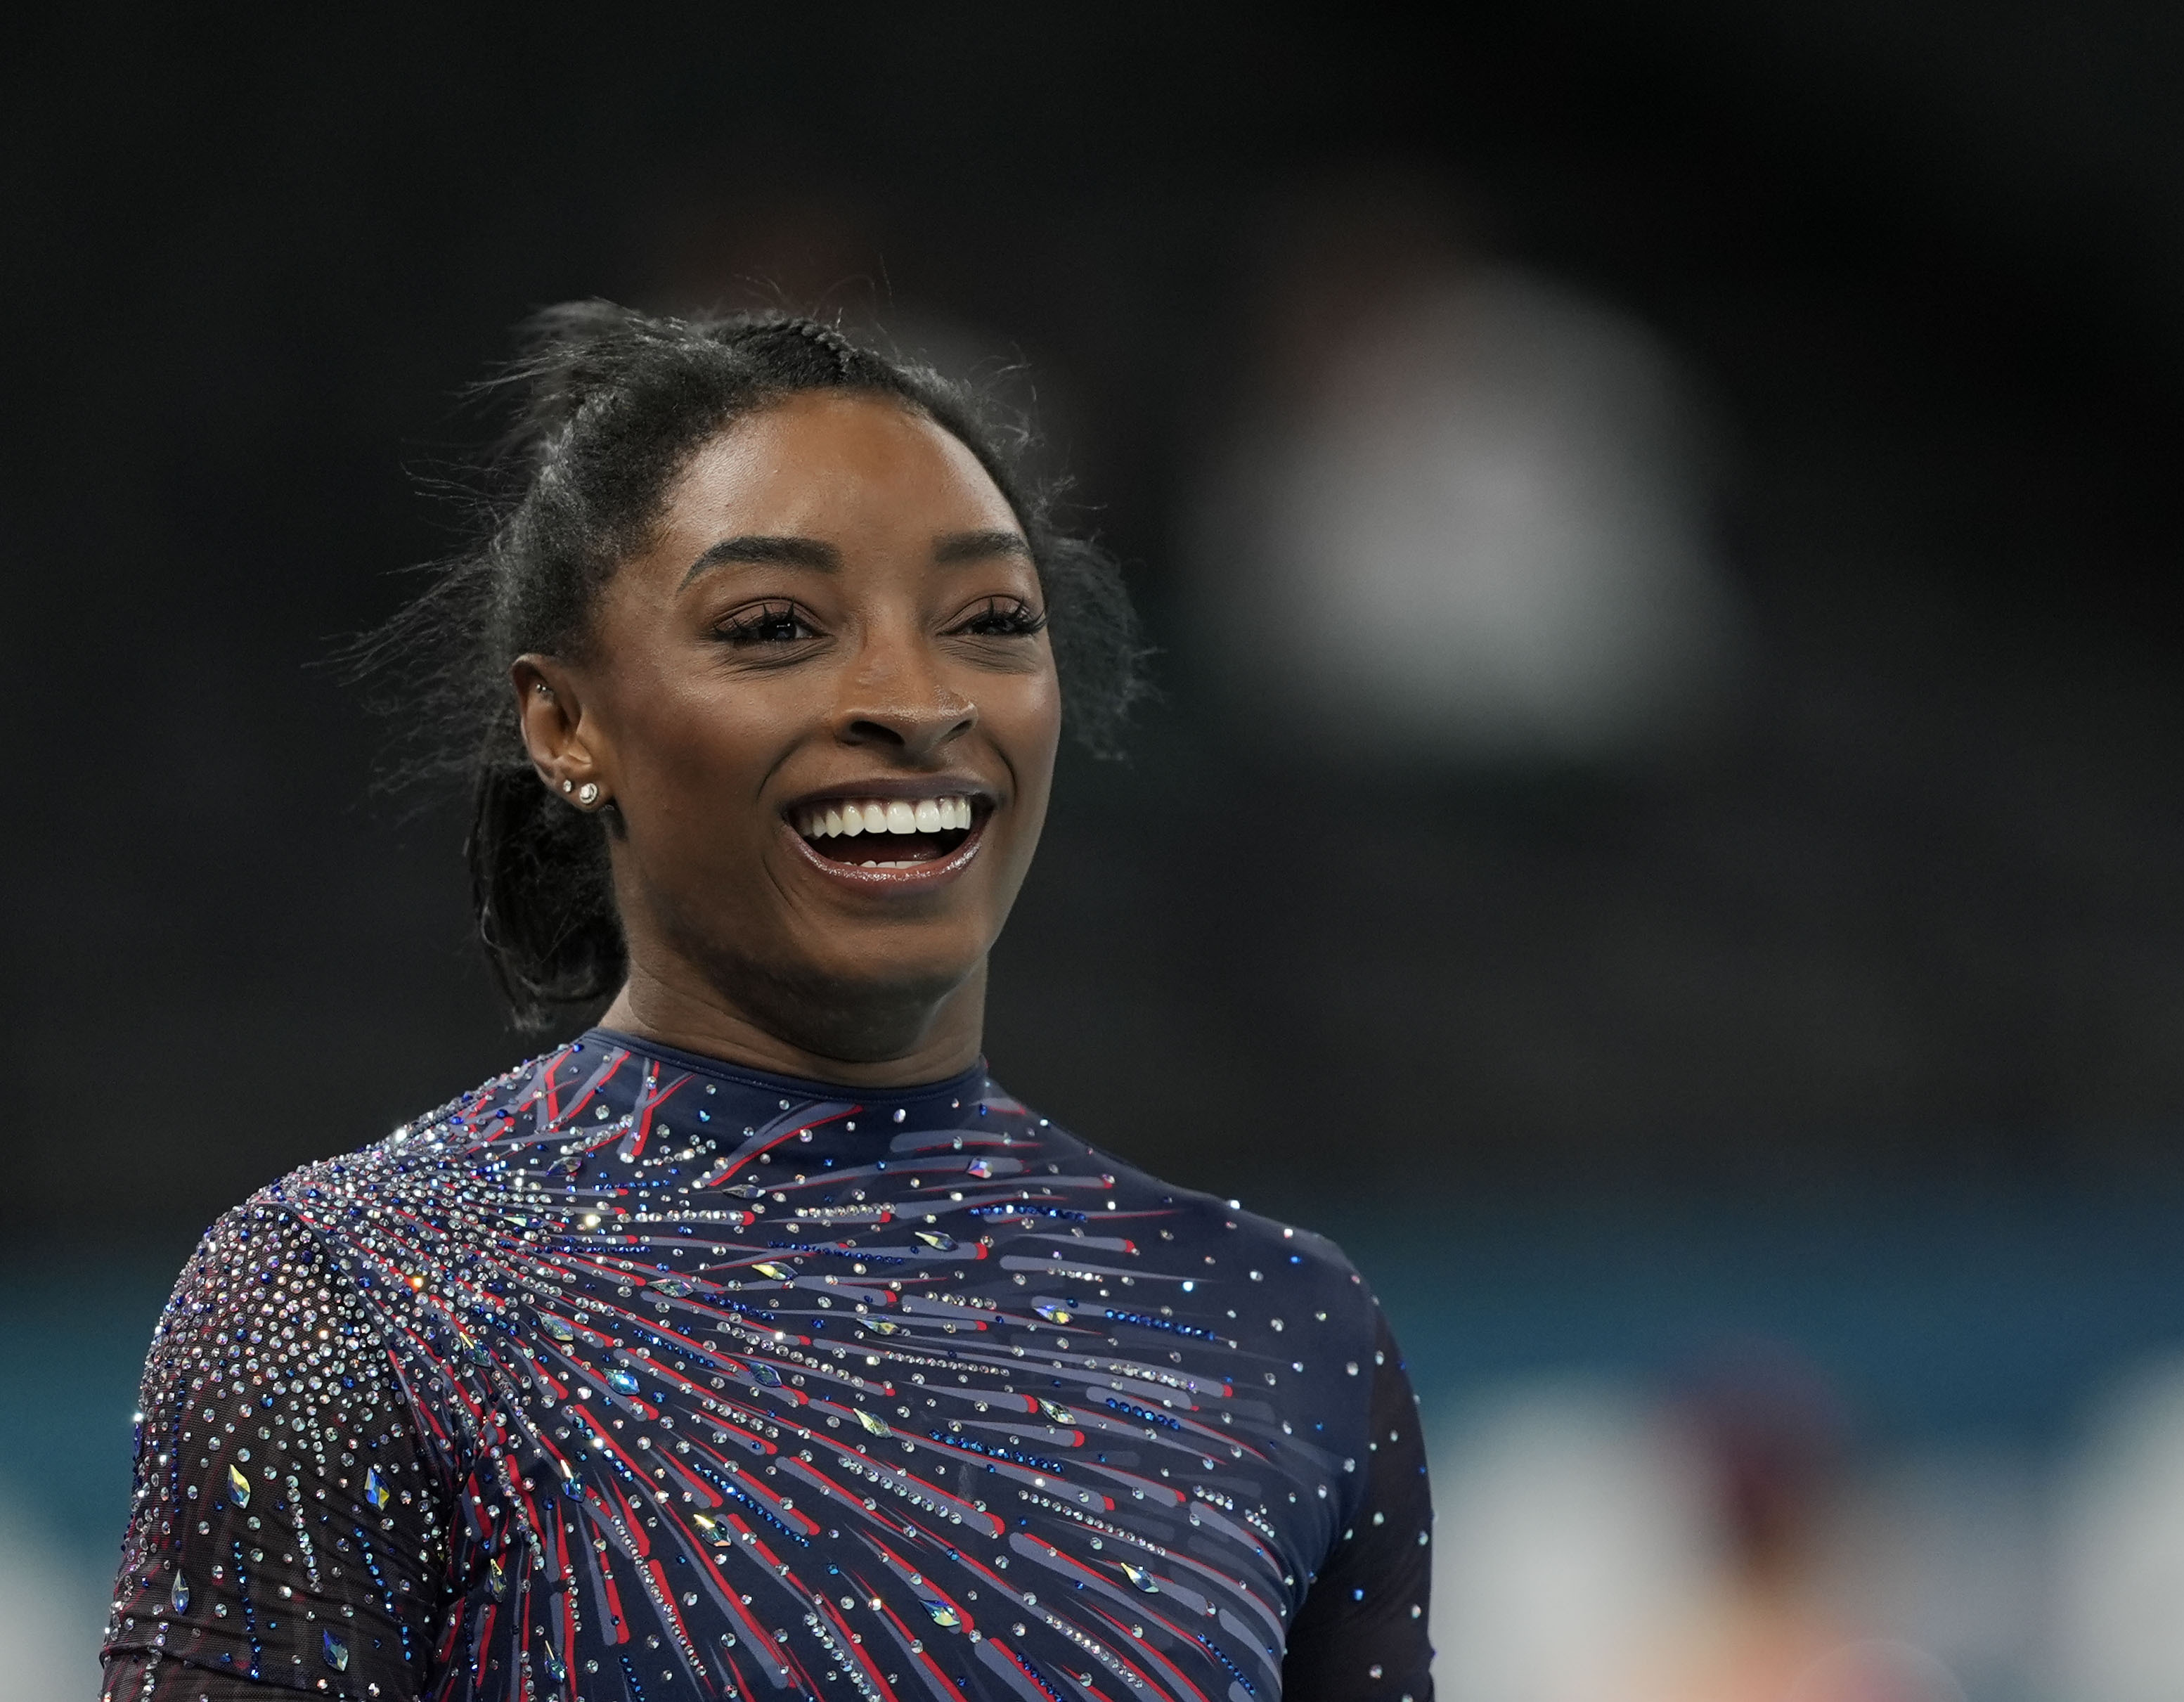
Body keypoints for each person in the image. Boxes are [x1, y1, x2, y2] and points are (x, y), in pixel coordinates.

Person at [98, 305, 1433, 1701]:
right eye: (775, 625)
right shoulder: (357, 1297)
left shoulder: (1272, 1321)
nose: (913, 697)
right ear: (567, 725)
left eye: (989, 619)